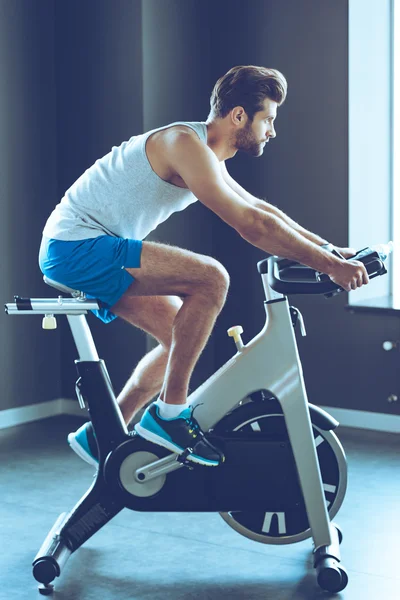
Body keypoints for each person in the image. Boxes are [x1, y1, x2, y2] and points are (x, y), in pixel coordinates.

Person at [39, 65, 369, 469]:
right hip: (76, 246)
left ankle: (104, 430)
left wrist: (330, 250)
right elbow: (251, 225)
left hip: (86, 248)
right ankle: (170, 415)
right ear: (238, 116)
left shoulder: (206, 153)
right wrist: (328, 266)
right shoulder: (184, 143)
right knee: (212, 278)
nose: (272, 131)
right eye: (268, 119)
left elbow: (260, 209)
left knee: (180, 336)